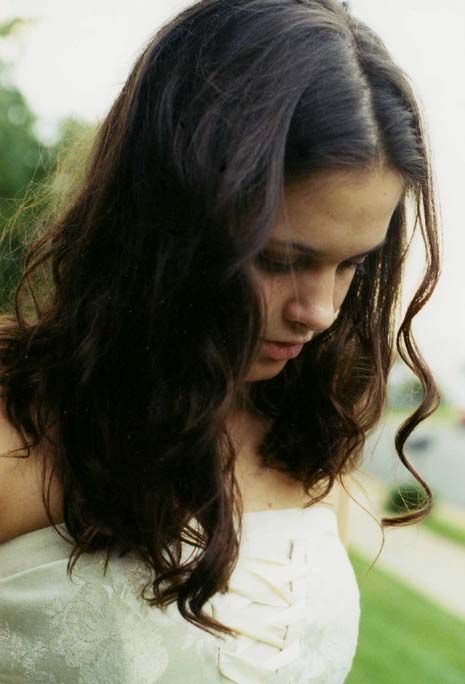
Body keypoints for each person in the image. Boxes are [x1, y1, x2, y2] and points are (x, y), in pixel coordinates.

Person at [0, 0, 440, 682]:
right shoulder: (23, 432)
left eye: (351, 265)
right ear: (172, 221)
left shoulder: (309, 433)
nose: (320, 312)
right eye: (281, 259)